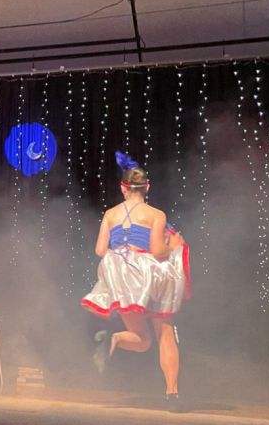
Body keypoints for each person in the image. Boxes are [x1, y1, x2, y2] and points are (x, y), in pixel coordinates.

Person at [81, 151, 190, 411]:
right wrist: (173, 245)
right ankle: (172, 394)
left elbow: (100, 250)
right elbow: (158, 251)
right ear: (147, 187)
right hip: (146, 272)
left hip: (119, 273)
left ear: (123, 188)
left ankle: (116, 338)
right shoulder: (155, 214)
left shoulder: (110, 214)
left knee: (141, 339)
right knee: (164, 332)